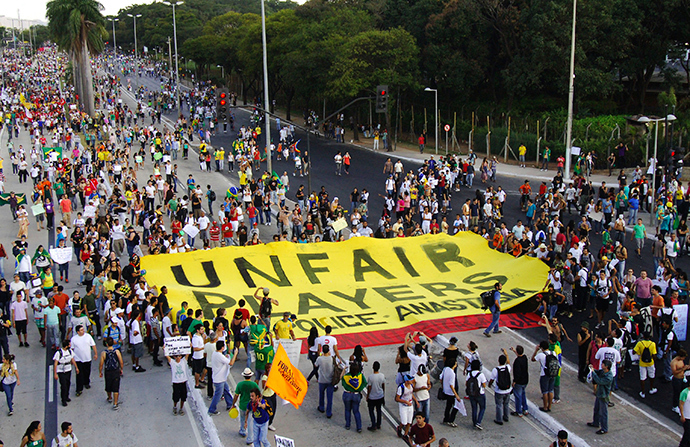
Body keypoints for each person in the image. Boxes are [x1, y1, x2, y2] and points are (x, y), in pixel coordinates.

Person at [208, 341, 238, 415]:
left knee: (226, 390)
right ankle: (212, 409)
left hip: (220, 378)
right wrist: (235, 354)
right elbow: (231, 363)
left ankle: (230, 404)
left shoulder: (215, 354)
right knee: (218, 395)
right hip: (219, 379)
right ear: (222, 347)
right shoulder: (219, 356)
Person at [232, 368, 260, 443]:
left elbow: (236, 395)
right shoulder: (254, 384)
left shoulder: (240, 384)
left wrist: (233, 404)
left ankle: (242, 431)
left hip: (242, 405)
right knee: (250, 422)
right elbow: (259, 395)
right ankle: (250, 439)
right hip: (251, 406)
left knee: (242, 418)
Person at [587, 359, 613, 434]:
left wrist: (593, 373)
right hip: (599, 393)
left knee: (603, 413)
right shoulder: (603, 371)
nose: (601, 365)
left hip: (604, 396)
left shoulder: (608, 377)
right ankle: (596, 422)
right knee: (596, 409)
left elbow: (599, 381)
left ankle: (604, 428)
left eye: (603, 364)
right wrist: (593, 369)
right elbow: (598, 372)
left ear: (606, 366)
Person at [71, 324, 97, 396]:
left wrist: (95, 353)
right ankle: (79, 389)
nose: (83, 331)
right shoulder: (74, 339)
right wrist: (71, 359)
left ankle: (86, 382)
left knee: (87, 371)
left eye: (83, 329)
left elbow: (93, 345)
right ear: (77, 332)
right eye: (81, 330)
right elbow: (72, 349)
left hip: (87, 358)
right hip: (78, 359)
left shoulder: (88, 336)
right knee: (79, 374)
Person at [532, 340, 558, 412]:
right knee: (550, 390)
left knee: (545, 392)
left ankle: (545, 407)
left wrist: (536, 350)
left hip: (544, 374)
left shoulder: (541, 355)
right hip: (553, 373)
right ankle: (549, 406)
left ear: (542, 348)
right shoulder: (553, 353)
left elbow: (533, 359)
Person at [99, 336, 124, 410]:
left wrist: (100, 371)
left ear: (106, 344)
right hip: (115, 370)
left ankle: (109, 397)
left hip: (108, 371)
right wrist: (121, 369)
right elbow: (121, 361)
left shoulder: (104, 353)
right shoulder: (117, 352)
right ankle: (115, 403)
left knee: (108, 385)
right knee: (116, 387)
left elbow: (101, 364)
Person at [342, 361, 367, 432]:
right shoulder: (360, 376)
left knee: (347, 410)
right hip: (356, 394)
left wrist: (344, 370)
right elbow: (365, 383)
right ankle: (359, 427)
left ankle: (348, 425)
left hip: (347, 394)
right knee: (356, 411)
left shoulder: (347, 376)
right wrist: (359, 388)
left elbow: (342, 381)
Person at [488, 349, 512, 425]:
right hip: (507, 390)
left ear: (498, 361)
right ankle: (506, 416)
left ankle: (499, 419)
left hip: (499, 390)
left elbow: (492, 379)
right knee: (506, 404)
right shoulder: (507, 368)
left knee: (499, 405)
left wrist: (489, 385)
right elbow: (508, 362)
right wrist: (506, 354)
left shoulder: (496, 370)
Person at [53, 339, 79, 407]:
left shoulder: (70, 352)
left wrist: (76, 367)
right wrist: (55, 373)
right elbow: (55, 363)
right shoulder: (59, 353)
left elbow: (72, 359)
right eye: (69, 344)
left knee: (68, 383)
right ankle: (63, 399)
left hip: (68, 369)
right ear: (66, 346)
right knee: (63, 385)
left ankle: (67, 396)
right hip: (61, 371)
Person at [634, 332, 658, 398]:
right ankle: (651, 388)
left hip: (642, 362)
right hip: (650, 362)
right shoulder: (652, 344)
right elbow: (654, 355)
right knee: (652, 375)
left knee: (642, 377)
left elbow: (634, 351)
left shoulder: (640, 343)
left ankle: (643, 392)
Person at [466, 358, 487, 429]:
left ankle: (474, 422)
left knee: (474, 408)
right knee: (482, 408)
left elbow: (467, 384)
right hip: (480, 393)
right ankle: (478, 422)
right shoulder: (481, 375)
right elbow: (484, 385)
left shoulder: (469, 374)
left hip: (471, 394)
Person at [316, 344, 336, 418]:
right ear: (329, 351)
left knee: (321, 394)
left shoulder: (320, 359)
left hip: (322, 380)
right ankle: (329, 412)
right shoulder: (332, 358)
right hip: (330, 380)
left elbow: (315, 365)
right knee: (329, 397)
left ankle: (321, 407)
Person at [396, 373, 418, 438]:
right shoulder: (401, 388)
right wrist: (405, 401)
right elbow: (397, 398)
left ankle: (406, 434)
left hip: (410, 405)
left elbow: (411, 394)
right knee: (404, 422)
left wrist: (416, 401)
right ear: (406, 381)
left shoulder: (411, 386)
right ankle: (399, 428)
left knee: (409, 422)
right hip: (403, 406)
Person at [366, 360, 386, 431]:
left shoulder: (371, 377)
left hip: (372, 397)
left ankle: (373, 424)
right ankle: (378, 424)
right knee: (379, 410)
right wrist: (383, 393)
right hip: (380, 396)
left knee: (371, 410)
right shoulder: (382, 376)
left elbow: (369, 388)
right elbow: (383, 385)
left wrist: (367, 396)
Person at [510, 345, 529, 416]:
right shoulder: (525, 358)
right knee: (523, 394)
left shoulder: (517, 361)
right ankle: (525, 409)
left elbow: (517, 373)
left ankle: (519, 411)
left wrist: (514, 381)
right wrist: (514, 350)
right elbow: (520, 355)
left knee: (518, 396)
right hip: (525, 380)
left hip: (519, 381)